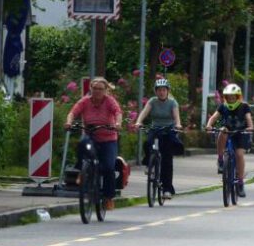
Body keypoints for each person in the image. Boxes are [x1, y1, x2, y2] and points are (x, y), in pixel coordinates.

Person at [65, 77, 123, 210]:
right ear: (90, 89)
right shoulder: (85, 101)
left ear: (106, 90)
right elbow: (73, 112)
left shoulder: (109, 101)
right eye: (94, 88)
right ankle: (82, 170)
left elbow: (118, 112)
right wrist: (69, 122)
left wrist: (118, 124)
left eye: (100, 89)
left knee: (109, 167)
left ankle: (108, 197)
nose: (97, 91)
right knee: (83, 143)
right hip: (91, 135)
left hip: (108, 138)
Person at [135, 77, 183, 199]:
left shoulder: (172, 102)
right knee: (148, 143)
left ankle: (167, 189)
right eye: (159, 90)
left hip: (168, 129)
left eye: (163, 90)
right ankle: (149, 164)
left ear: (167, 91)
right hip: (155, 128)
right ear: (156, 91)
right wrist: (138, 122)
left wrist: (178, 124)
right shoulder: (152, 101)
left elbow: (176, 116)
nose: (161, 92)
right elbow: (144, 112)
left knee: (167, 159)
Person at [205, 84, 254, 197]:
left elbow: (248, 118)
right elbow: (213, 117)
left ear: (238, 97)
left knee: (239, 154)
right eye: (228, 97)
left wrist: (250, 127)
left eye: (233, 97)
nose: (231, 99)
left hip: (240, 133)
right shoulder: (223, 107)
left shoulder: (244, 107)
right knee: (222, 130)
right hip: (227, 132)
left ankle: (240, 183)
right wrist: (209, 125)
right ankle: (221, 159)